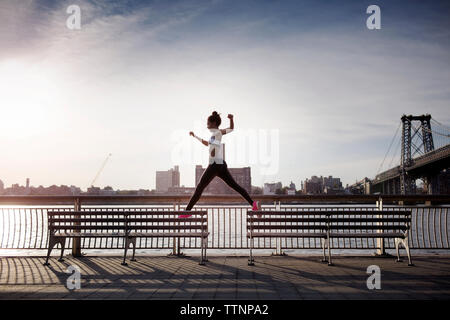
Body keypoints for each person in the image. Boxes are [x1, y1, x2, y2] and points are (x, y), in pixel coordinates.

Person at [180, 111, 261, 217]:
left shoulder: (217, 134)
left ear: (213, 123)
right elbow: (210, 141)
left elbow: (214, 146)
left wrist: (213, 149)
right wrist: (195, 136)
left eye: (208, 123)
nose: (207, 125)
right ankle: (253, 204)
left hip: (214, 164)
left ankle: (187, 212)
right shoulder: (216, 133)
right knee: (235, 186)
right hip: (221, 164)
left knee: (199, 188)